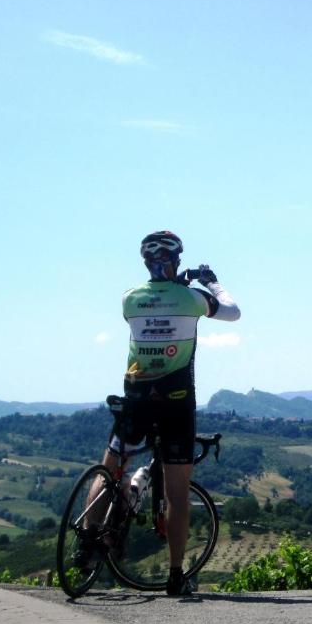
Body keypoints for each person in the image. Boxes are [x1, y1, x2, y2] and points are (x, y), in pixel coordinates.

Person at [101, 230, 240, 595]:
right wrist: (212, 282)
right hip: (176, 400)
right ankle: (176, 575)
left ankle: (85, 543)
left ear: (146, 262)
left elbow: (155, 305)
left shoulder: (129, 300)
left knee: (111, 467)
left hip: (135, 397)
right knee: (178, 494)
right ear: (177, 260)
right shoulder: (192, 299)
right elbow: (233, 313)